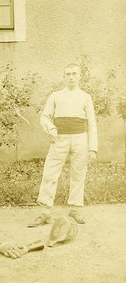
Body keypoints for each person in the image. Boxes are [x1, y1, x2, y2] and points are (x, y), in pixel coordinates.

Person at [28, 63, 97, 227]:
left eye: (74, 74)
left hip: (80, 138)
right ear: (63, 77)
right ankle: (45, 212)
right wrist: (51, 128)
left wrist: (92, 148)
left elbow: (92, 123)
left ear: (79, 76)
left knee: (78, 173)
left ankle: (74, 209)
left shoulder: (85, 97)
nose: (71, 77)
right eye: (68, 74)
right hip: (60, 139)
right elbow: (44, 117)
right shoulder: (55, 96)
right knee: (50, 172)